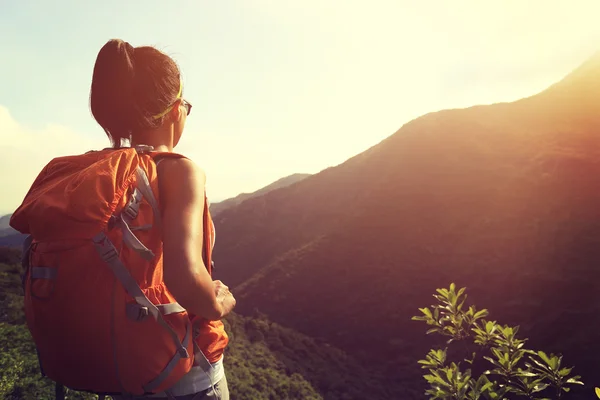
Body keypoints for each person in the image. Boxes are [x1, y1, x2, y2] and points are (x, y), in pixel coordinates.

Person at [90, 38, 237, 399]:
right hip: (184, 372)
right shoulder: (179, 171)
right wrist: (219, 301)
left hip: (125, 370)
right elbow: (184, 277)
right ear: (175, 109)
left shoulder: (100, 173)